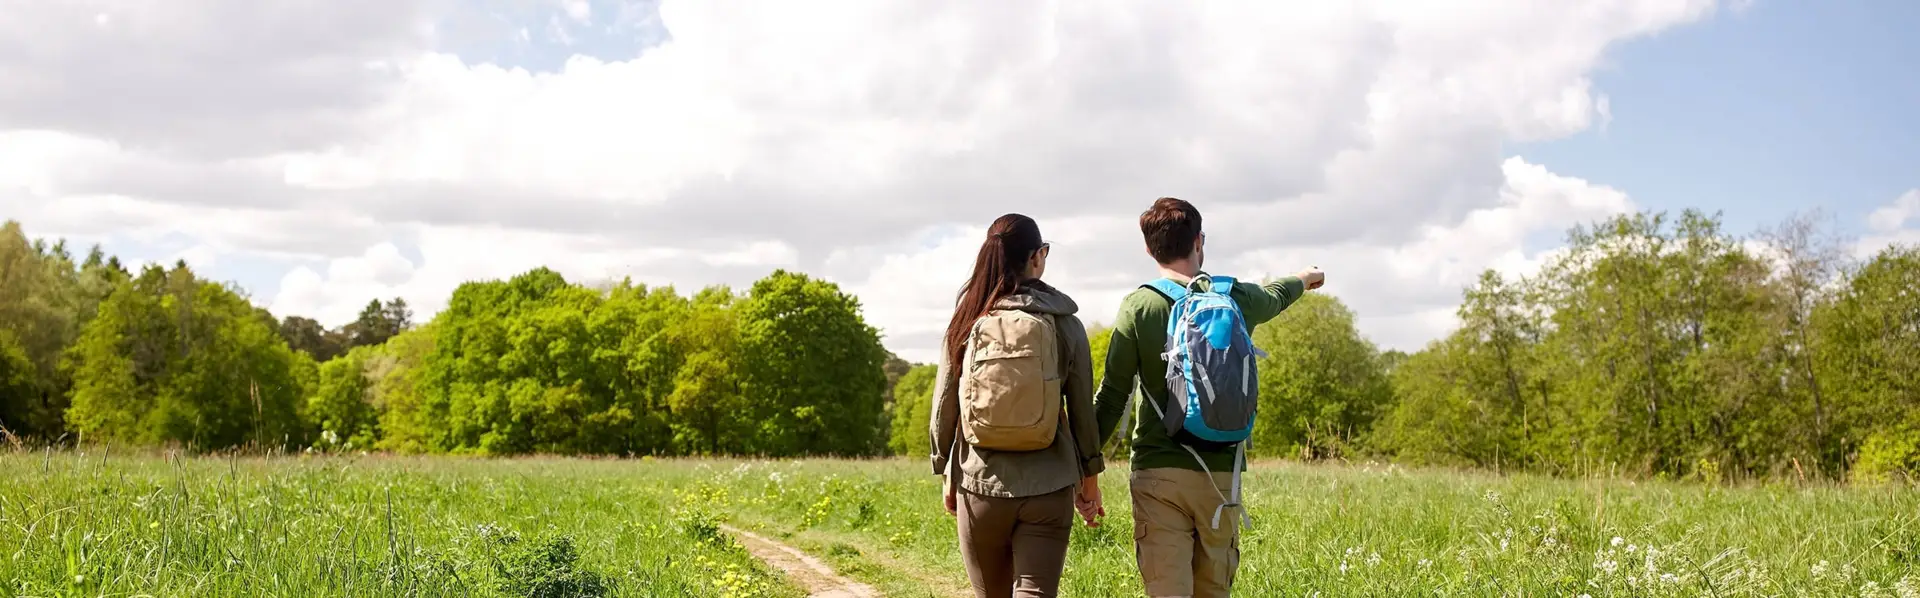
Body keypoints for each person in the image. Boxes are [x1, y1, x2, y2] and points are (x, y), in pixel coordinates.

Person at [1090, 197, 1324, 598]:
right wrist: (1305, 277)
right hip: (1222, 475)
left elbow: (1112, 396)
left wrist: (1084, 468)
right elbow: (1276, 295)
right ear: (1200, 241)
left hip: (1159, 471)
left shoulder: (1140, 306)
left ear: (1149, 248)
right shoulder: (1234, 297)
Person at [930, 213, 1104, 598]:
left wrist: (946, 470)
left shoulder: (965, 321)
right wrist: (1089, 480)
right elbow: (1081, 411)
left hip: (979, 482)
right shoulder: (1065, 324)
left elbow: (945, 404)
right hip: (1049, 483)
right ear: (1037, 257)